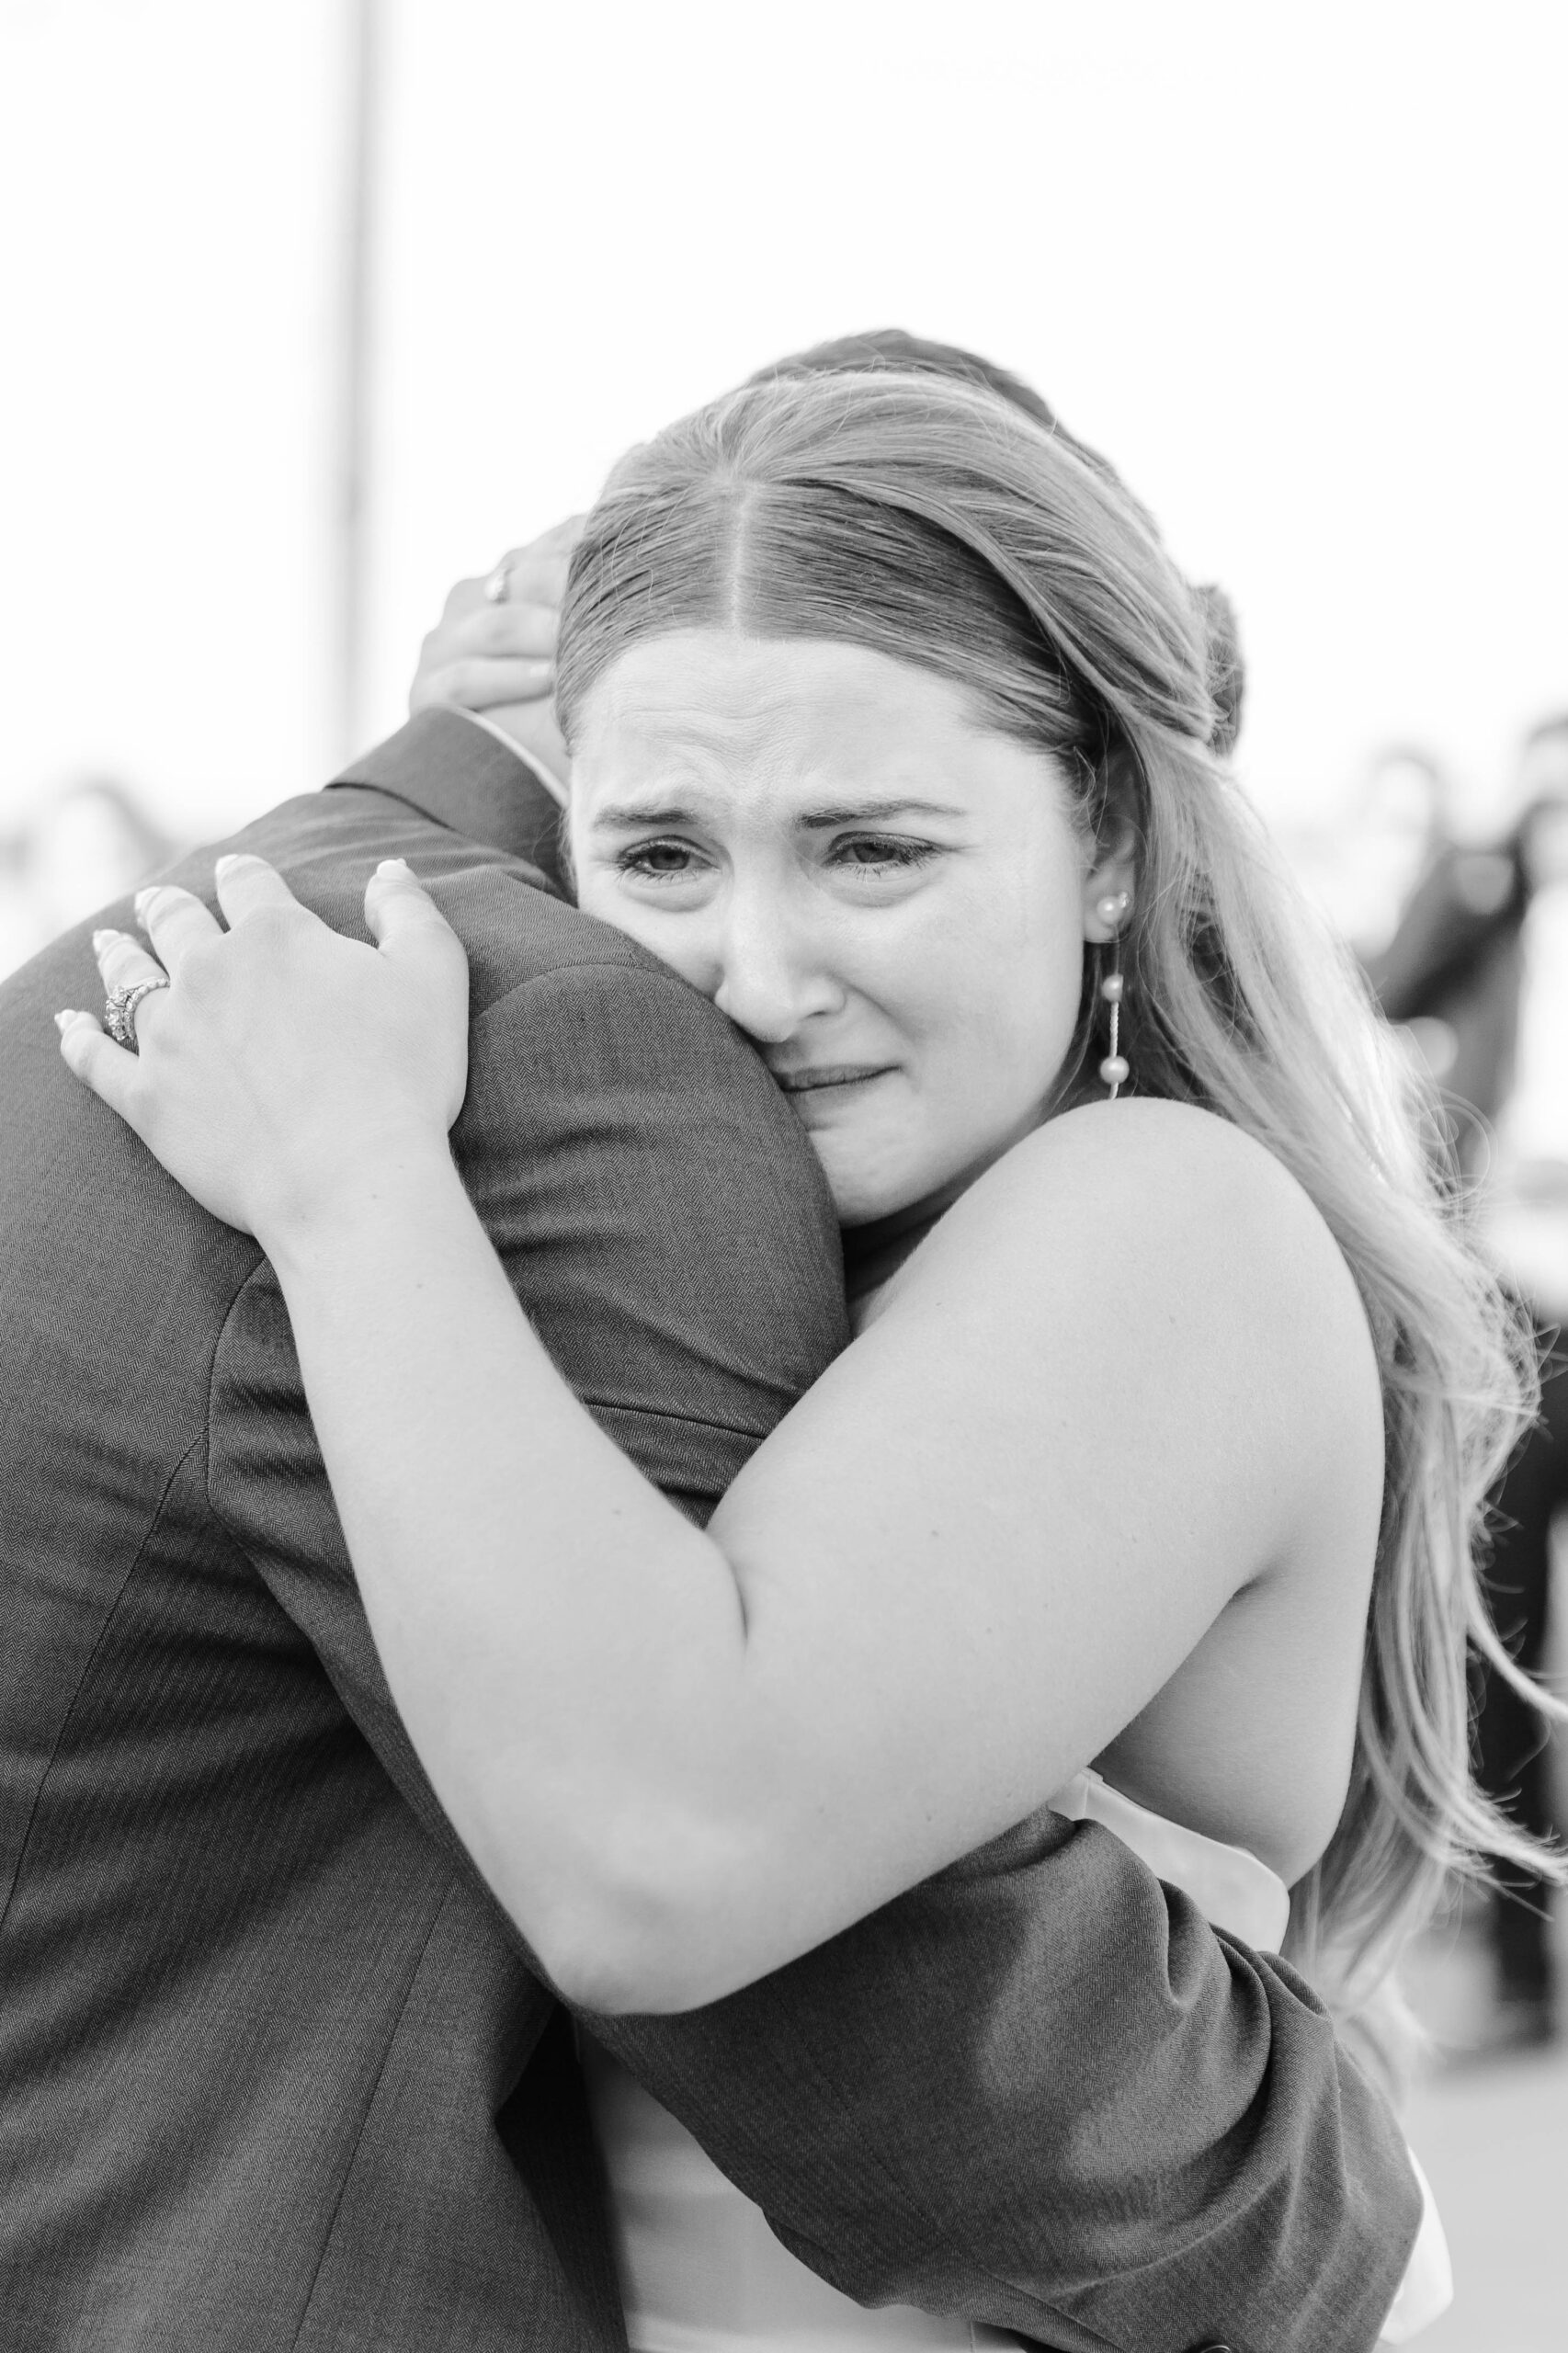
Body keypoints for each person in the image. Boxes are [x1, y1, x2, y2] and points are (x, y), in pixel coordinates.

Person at [59, 363, 1551, 2348]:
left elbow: (654, 1860)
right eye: (662, 853)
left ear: (1107, 838)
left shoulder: (1168, 1221)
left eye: (871, 852)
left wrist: (350, 1186)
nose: (757, 975)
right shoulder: (792, 1265)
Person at [1371, 713, 1568, 2050]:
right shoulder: (1494, 918)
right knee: (1489, 1625)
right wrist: (1489, 864)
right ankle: (1516, 1969)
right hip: (1512, 1305)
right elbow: (1387, 988)